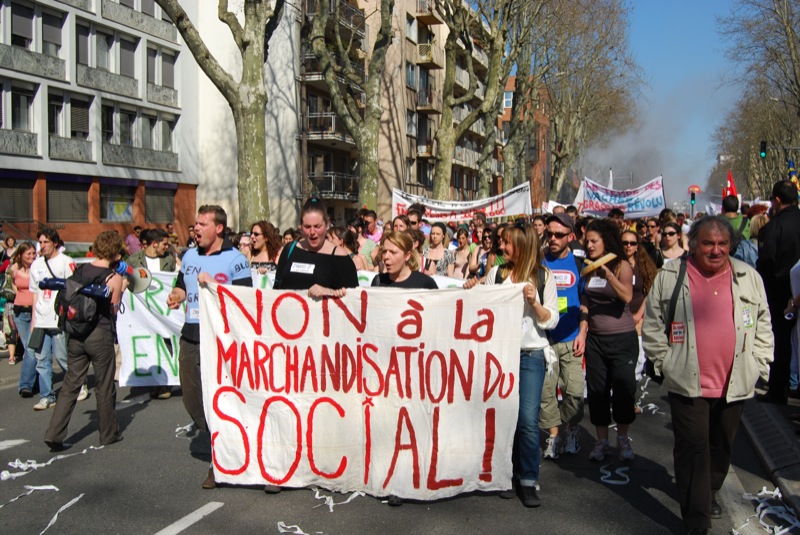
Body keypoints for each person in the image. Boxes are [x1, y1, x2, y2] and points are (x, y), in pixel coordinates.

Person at [643, 216, 773, 534]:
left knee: (721, 447)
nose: (716, 251)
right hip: (686, 381)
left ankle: (710, 488)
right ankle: (696, 522)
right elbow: (653, 322)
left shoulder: (748, 276)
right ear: (693, 244)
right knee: (692, 448)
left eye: (723, 244)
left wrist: (759, 363)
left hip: (735, 382)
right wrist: (664, 362)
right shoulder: (672, 275)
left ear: (731, 245)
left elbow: (763, 322)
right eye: (708, 243)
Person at [166, 206, 252, 489]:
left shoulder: (235, 260)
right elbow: (182, 286)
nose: (197, 228)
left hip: (220, 340)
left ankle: (221, 461)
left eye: (203, 223)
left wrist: (215, 285)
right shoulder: (189, 255)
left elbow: (244, 301)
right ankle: (224, 437)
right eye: (196, 223)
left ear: (219, 228)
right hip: (191, 337)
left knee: (220, 401)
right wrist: (176, 295)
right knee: (192, 401)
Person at [474, 224, 558, 508]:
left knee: (527, 420)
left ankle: (528, 479)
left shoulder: (543, 277)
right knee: (504, 417)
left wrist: (534, 303)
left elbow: (551, 320)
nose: (502, 247)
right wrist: (473, 288)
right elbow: (479, 307)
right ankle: (506, 475)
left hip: (530, 355)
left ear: (521, 246)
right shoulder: (496, 274)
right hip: (500, 354)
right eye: (501, 242)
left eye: (507, 243)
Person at [43, 231, 126, 451]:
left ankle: (54, 433)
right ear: (116, 253)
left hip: (76, 333)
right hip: (100, 334)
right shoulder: (114, 277)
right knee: (104, 385)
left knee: (71, 384)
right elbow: (114, 309)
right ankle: (108, 433)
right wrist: (122, 289)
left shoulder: (79, 271)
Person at [575, 218, 637, 462]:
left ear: (606, 241)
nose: (589, 245)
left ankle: (622, 439)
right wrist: (582, 331)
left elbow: (627, 297)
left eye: (594, 241)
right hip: (596, 341)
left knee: (623, 391)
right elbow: (586, 301)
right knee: (597, 391)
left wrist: (609, 275)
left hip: (622, 340)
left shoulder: (621, 265)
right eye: (587, 241)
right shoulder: (588, 268)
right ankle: (601, 442)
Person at [540, 214, 585, 459]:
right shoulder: (538, 260)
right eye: (550, 234)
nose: (553, 239)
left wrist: (584, 333)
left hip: (571, 338)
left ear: (571, 236)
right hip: (545, 340)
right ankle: (554, 436)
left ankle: (572, 430)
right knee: (547, 394)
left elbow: (586, 301)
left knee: (575, 393)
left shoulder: (579, 264)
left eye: (559, 234)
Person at [29, 228, 84, 410]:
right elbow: (34, 294)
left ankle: (79, 383)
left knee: (61, 356)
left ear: (54, 242)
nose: (42, 246)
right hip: (41, 318)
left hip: (58, 317)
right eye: (40, 242)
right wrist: (34, 319)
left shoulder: (66, 262)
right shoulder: (36, 265)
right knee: (42, 360)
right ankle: (47, 396)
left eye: (46, 242)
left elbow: (74, 289)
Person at [757, 180, 800, 404]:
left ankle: (778, 388)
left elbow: (766, 261)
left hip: (781, 292)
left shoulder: (773, 227)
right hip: (791, 290)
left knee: (781, 341)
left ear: (777, 200)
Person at [274, 197, 359, 298]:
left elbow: (354, 298)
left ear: (326, 225)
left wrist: (329, 292)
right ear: (301, 226)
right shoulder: (289, 249)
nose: (312, 232)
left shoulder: (340, 256)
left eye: (317, 226)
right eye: (307, 227)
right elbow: (276, 289)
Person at [128, 228, 177, 400]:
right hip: (143, 313)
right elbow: (128, 284)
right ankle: (154, 382)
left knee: (165, 346)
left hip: (162, 312)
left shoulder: (169, 260)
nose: (167, 246)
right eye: (164, 243)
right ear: (154, 244)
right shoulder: (134, 260)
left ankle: (165, 383)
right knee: (148, 346)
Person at [621, 230, 657, 381]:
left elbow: (650, 291)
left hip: (638, 317)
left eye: (632, 243)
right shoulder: (614, 263)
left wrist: (639, 315)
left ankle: (631, 399)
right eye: (625, 243)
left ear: (637, 246)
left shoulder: (643, 265)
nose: (628, 246)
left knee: (638, 360)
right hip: (619, 317)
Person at [372, 231, 437, 289]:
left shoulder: (425, 283)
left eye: (393, 252)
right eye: (384, 252)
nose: (386, 257)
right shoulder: (378, 281)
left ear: (407, 255)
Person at [9, 243, 36, 377]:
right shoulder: (14, 268)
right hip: (20, 311)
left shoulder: (37, 268)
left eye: (33, 253)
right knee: (28, 347)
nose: (32, 256)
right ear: (21, 255)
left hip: (35, 311)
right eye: (29, 254)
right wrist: (18, 293)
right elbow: (13, 282)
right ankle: (32, 379)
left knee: (32, 348)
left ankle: (27, 381)